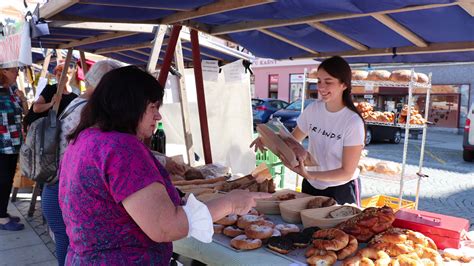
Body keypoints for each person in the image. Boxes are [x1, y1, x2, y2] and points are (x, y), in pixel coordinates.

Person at [59, 66, 270, 264]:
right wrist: (231, 203)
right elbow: (165, 226)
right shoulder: (121, 147)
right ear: (128, 105)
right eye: (152, 107)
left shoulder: (84, 139)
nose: (158, 116)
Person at [252, 56, 365, 205]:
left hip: (340, 189)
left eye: (328, 82)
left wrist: (311, 175)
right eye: (319, 81)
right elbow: (292, 140)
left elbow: (347, 171)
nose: (321, 87)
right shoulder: (313, 109)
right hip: (311, 185)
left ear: (344, 85)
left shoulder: (352, 121)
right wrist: (268, 139)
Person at [41, 60, 123, 266]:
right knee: (70, 245)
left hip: (55, 187)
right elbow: (107, 151)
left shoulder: (78, 102)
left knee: (67, 243)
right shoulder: (88, 110)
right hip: (61, 189)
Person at [0, 67, 28, 231]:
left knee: (7, 178)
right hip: (2, 145)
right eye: (13, 70)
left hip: (14, 142)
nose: (17, 72)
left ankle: (2, 211)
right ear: (3, 71)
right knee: (2, 180)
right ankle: (1, 217)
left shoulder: (12, 89)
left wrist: (23, 100)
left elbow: (24, 113)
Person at [23, 64, 78, 129]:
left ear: (70, 76)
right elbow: (36, 108)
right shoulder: (50, 89)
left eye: (63, 75)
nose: (61, 78)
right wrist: (51, 104)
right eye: (58, 75)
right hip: (46, 131)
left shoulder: (75, 96)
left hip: (64, 131)